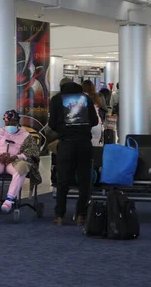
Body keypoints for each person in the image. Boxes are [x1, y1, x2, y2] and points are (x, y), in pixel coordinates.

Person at [50, 78, 99, 226]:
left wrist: (63, 130)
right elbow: (94, 121)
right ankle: (81, 215)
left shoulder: (57, 99)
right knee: (84, 181)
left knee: (62, 180)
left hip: (66, 144)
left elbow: (52, 123)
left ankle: (59, 215)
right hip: (84, 143)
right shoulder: (85, 98)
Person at [0, 110, 41, 213]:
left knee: (23, 167)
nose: (10, 125)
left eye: (13, 123)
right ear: (4, 122)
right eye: (8, 123)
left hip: (15, 162)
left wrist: (16, 157)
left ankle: (10, 200)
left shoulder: (25, 135)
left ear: (18, 122)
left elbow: (33, 152)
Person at [82, 80, 106, 146]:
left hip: (85, 124)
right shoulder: (96, 96)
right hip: (97, 123)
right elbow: (103, 107)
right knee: (95, 145)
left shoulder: (80, 97)